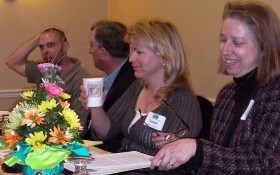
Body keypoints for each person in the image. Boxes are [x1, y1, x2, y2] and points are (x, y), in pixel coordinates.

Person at [150, 1, 280, 175]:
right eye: (223, 40)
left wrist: (196, 149)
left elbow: (264, 164)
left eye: (237, 43)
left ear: (264, 46)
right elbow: (224, 160)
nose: (226, 50)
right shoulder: (227, 94)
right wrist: (182, 147)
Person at [80, 19, 202, 155]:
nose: (131, 58)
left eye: (139, 52)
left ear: (164, 56)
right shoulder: (137, 87)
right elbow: (105, 132)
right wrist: (95, 106)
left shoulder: (182, 99)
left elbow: (176, 158)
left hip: (154, 173)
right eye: (132, 50)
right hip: (123, 166)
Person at [5, 27, 89, 127]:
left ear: (65, 47)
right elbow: (12, 62)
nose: (45, 51)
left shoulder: (80, 79)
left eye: (50, 45)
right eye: (41, 47)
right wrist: (38, 38)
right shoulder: (43, 70)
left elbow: (80, 125)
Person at [82, 20, 136, 152]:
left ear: (103, 53)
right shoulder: (106, 78)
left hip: (109, 153)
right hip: (91, 147)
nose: (90, 51)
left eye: (91, 46)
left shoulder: (132, 82)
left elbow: (112, 135)